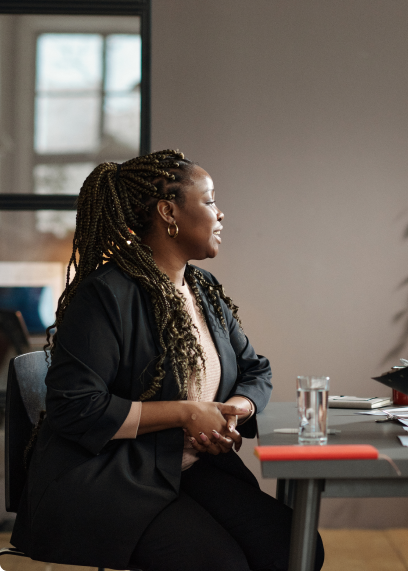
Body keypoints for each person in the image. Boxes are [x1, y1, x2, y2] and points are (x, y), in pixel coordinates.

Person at [11, 151, 325, 571]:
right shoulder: (104, 296)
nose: (221, 213)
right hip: (113, 478)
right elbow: (75, 407)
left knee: (295, 548)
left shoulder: (204, 289)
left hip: (188, 469)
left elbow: (255, 369)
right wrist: (186, 413)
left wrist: (236, 410)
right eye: (210, 200)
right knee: (221, 565)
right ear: (168, 212)